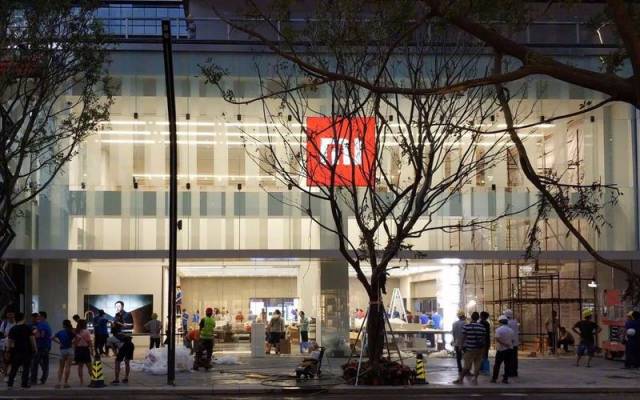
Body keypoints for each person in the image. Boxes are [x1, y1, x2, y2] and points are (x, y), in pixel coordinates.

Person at [453, 311, 486, 385]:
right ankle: (475, 379)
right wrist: (483, 350)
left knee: (466, 366)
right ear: (478, 318)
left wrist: (460, 346)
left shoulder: (467, 326)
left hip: (470, 349)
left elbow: (463, 337)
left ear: (471, 317)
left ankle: (460, 379)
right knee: (477, 365)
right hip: (479, 349)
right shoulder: (482, 327)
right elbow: (484, 339)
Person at [6, 312, 36, 388]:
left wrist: (8, 350)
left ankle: (10, 383)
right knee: (26, 368)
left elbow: (10, 341)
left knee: (14, 368)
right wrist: (35, 349)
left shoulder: (13, 329)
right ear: (23, 318)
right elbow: (32, 340)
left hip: (16, 351)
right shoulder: (27, 328)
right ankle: (24, 383)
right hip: (27, 351)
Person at [491, 315, 514, 384]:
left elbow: (497, 339)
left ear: (500, 322)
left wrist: (504, 344)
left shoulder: (498, 330)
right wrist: (508, 344)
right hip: (509, 349)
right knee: (507, 365)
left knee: (497, 365)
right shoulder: (511, 330)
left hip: (501, 350)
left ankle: (494, 378)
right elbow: (512, 340)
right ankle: (505, 379)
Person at [30, 311, 52, 385]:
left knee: (35, 363)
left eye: (39, 316)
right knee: (44, 364)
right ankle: (43, 379)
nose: (38, 317)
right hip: (46, 346)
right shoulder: (46, 324)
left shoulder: (41, 324)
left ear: (42, 316)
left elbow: (41, 335)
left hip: (41, 346)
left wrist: (34, 334)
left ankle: (33, 380)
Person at [52, 319, 75, 388]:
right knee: (68, 367)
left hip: (62, 351)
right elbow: (79, 338)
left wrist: (59, 342)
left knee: (61, 367)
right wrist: (73, 343)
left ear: (64, 325)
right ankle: (66, 383)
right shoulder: (71, 332)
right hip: (70, 350)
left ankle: (59, 383)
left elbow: (52, 338)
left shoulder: (60, 332)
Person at [72, 319, 93, 385]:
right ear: (84, 324)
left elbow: (74, 343)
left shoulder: (76, 332)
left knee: (80, 366)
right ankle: (92, 379)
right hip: (85, 349)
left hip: (78, 350)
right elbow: (89, 342)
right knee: (89, 366)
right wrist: (92, 350)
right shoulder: (86, 331)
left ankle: (81, 381)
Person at [0, 310, 16, 376]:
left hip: (13, 345)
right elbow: (1, 333)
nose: (10, 316)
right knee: (5, 359)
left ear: (14, 315)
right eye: (8, 315)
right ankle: (5, 372)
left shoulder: (16, 323)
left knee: (12, 360)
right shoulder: (5, 323)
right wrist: (5, 335)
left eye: (11, 314)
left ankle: (11, 373)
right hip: (4, 344)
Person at [504, 309, 520, 377]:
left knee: (509, 358)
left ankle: (510, 372)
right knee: (514, 358)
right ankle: (514, 372)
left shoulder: (508, 323)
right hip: (515, 343)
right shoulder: (515, 322)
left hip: (510, 343)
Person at [479, 311, 491, 375]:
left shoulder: (482, 323)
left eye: (480, 315)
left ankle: (483, 369)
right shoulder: (487, 323)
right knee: (485, 355)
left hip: (483, 341)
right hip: (486, 341)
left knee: (482, 356)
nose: (480, 316)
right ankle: (484, 369)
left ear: (483, 316)